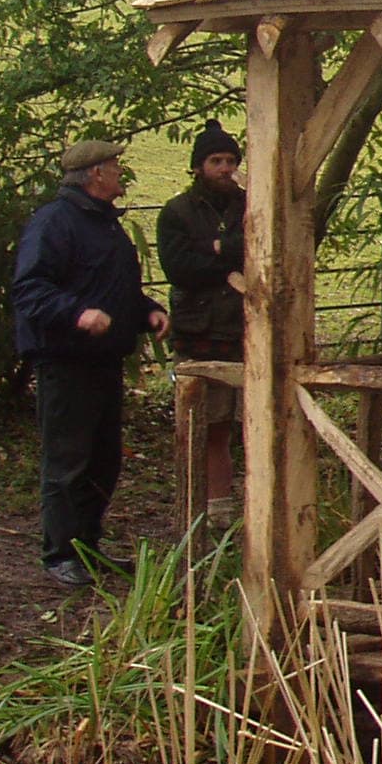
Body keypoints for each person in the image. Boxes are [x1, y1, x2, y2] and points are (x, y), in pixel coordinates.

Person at [12, 140, 168, 588]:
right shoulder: (54, 223)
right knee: (68, 460)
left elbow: (111, 289)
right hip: (66, 361)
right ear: (95, 174)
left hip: (104, 360)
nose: (122, 172)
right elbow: (30, 289)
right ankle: (60, 553)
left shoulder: (104, 226)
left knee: (102, 461)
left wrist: (145, 311)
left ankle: (87, 546)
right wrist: (76, 314)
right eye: (115, 166)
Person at [157, 120, 247, 510]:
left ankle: (228, 506)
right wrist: (231, 258)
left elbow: (264, 249)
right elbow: (180, 269)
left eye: (230, 160)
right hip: (199, 332)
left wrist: (216, 247)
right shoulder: (176, 212)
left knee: (240, 424)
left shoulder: (252, 203)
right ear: (197, 166)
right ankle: (202, 507)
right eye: (216, 160)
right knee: (203, 424)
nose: (225, 168)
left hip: (245, 330)